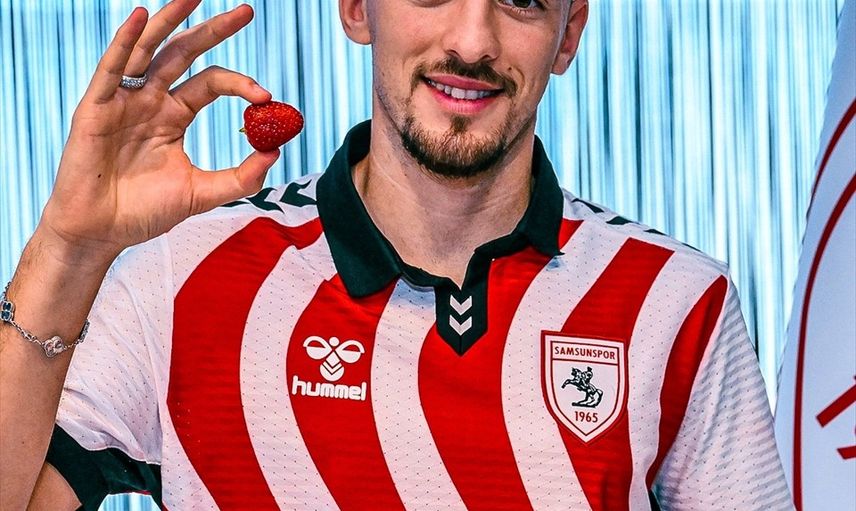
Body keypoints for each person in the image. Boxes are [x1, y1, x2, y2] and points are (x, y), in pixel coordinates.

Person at [0, 0, 793, 509]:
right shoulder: (185, 276)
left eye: (520, 0)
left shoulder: (676, 301)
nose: (472, 42)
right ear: (356, 7)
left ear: (570, 33)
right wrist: (67, 250)